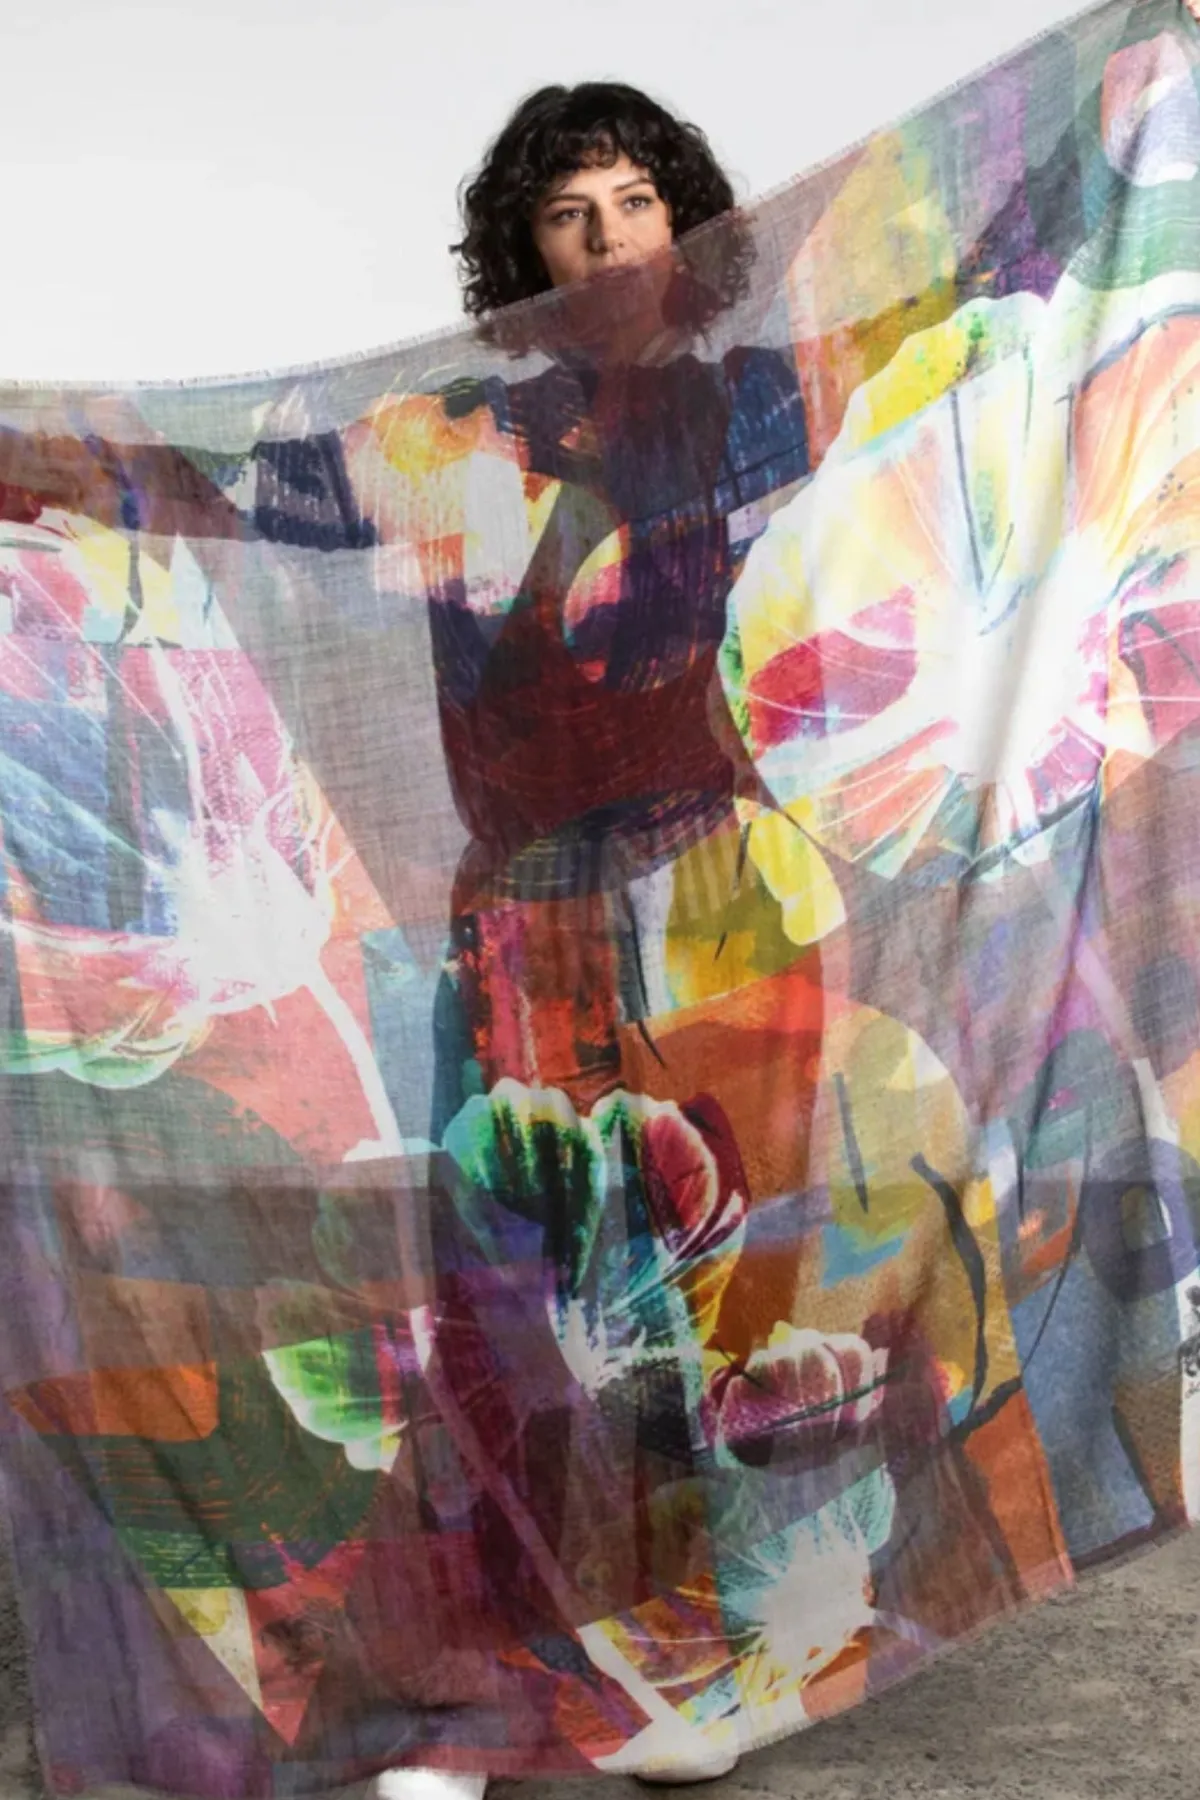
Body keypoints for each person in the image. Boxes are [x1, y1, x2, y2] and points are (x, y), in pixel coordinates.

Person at [366, 81, 808, 1800]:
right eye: (570, 212)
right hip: (526, 910)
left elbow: (965, 295)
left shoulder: (748, 407)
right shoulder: (461, 435)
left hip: (708, 891)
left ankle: (719, 1653)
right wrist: (58, 462)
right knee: (511, 1292)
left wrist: (1130, 97)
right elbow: (258, 487)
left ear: (683, 225)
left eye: (634, 200)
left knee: (707, 1278)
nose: (609, 237)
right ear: (526, 251)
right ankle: (489, 1686)